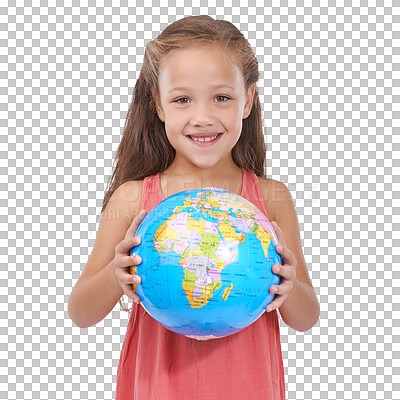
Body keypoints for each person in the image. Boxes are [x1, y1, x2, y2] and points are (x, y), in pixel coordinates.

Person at [68, 15, 320, 400]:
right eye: (182, 99)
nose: (202, 117)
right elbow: (80, 313)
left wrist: (289, 287)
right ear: (158, 104)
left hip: (248, 388)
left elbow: (306, 318)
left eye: (222, 97)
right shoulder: (134, 199)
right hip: (157, 390)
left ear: (248, 99)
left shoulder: (271, 199)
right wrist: (115, 276)